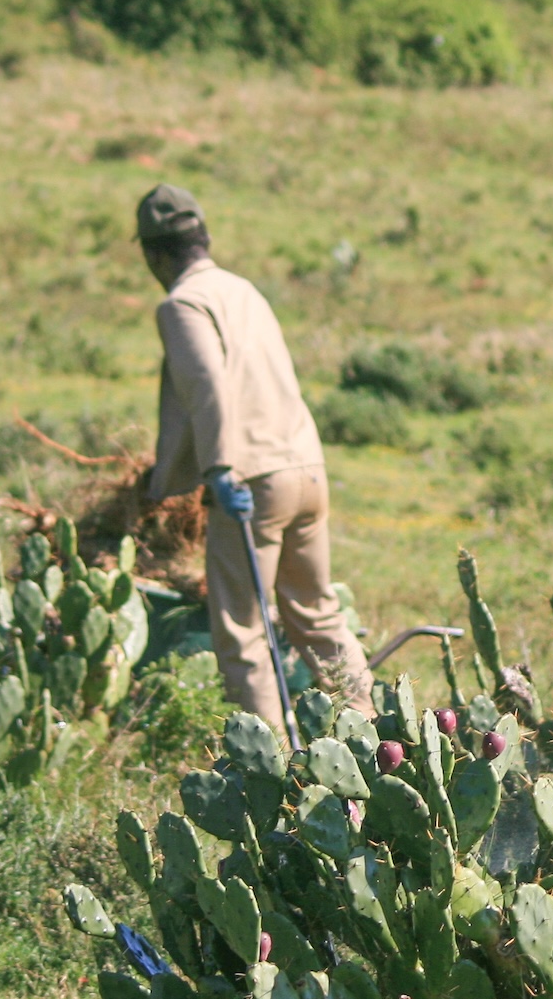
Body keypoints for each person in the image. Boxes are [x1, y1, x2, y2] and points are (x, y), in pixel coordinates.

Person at [137, 184, 375, 739]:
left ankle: (278, 769)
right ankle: (373, 731)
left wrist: (219, 467)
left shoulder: (182, 304)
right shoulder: (242, 289)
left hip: (254, 481)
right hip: (307, 468)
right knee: (316, 612)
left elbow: (207, 385)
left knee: (243, 630)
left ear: (153, 255)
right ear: (206, 238)